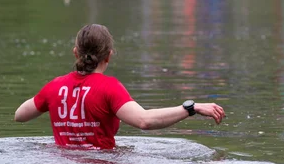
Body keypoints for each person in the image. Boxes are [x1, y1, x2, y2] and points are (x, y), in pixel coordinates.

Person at [14, 24, 225, 150]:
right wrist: (191, 108)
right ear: (109, 55)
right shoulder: (109, 88)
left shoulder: (54, 87)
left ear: (75, 53)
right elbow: (144, 121)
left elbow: (20, 115)